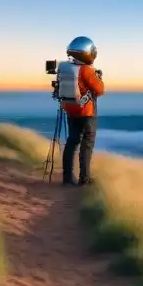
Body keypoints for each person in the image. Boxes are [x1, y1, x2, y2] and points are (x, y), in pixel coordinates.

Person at [56, 36, 105, 186]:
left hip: (70, 111)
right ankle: (84, 179)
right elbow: (100, 90)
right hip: (86, 112)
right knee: (87, 145)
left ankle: (67, 177)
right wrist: (98, 78)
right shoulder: (86, 70)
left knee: (71, 142)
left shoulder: (64, 68)